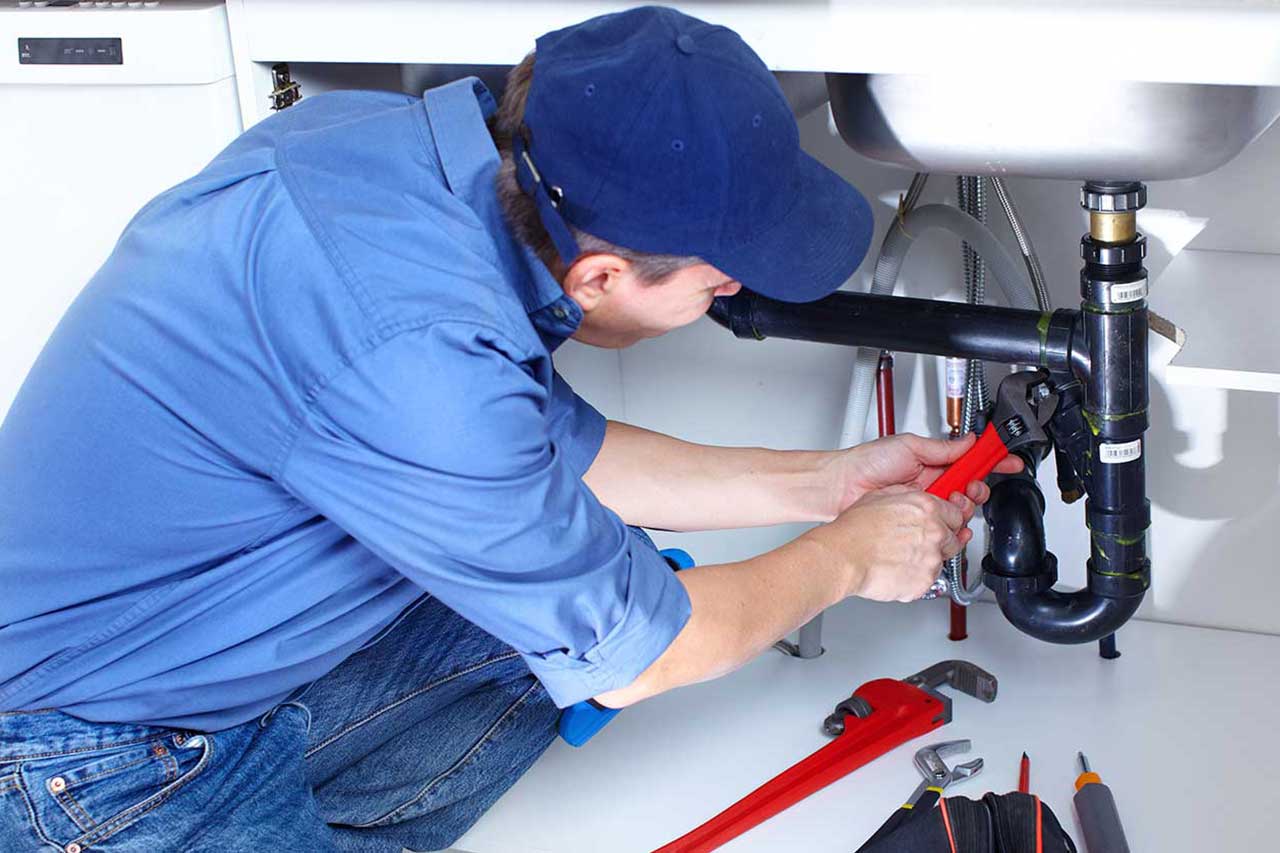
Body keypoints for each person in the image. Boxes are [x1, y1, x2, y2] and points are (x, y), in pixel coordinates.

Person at [0, 7, 1018, 852]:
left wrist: (826, 483)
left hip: (171, 661)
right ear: (601, 277)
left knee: (568, 606)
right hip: (89, 766)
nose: (734, 290)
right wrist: (844, 559)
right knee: (610, 625)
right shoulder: (418, 359)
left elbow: (546, 453)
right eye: (718, 282)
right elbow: (643, 657)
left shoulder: (385, 154)